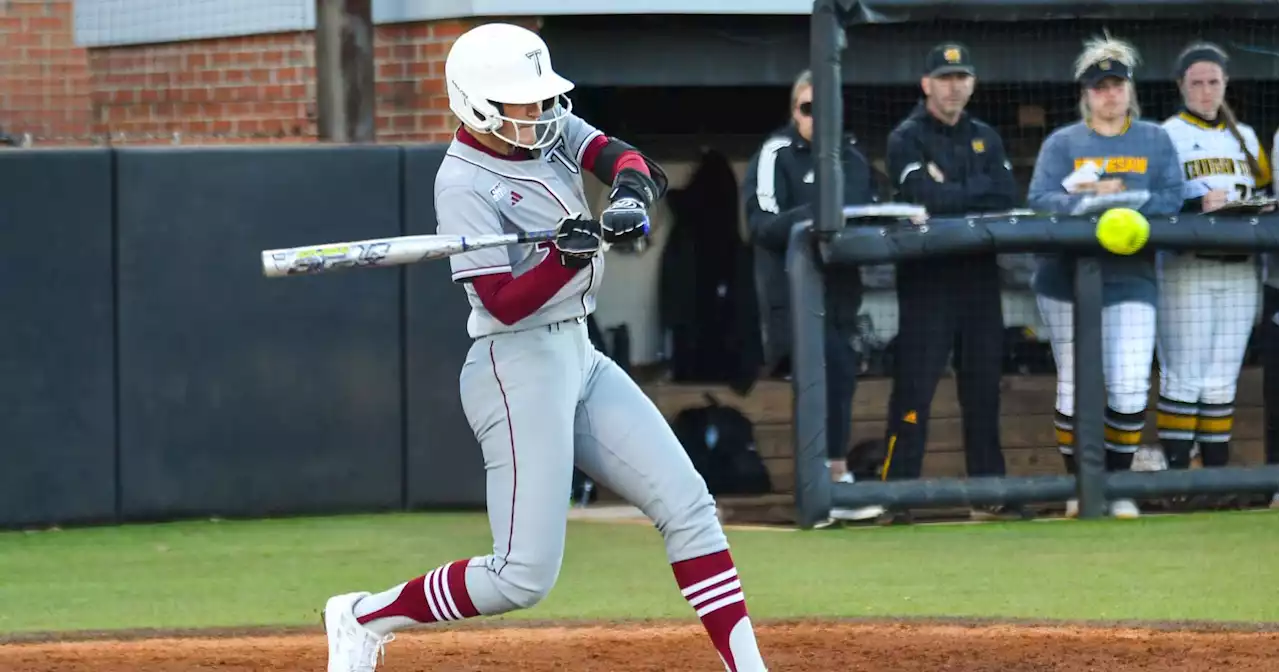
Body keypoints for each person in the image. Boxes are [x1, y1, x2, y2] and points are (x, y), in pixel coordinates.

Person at [320, 23, 769, 672]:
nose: (537, 111)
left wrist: (628, 201)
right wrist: (564, 255)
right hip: (515, 364)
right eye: (520, 103)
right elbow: (502, 299)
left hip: (578, 353)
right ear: (477, 105)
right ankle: (363, 616)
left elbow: (626, 161)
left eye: (538, 99)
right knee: (521, 577)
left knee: (689, 505)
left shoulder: (549, 125)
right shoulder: (462, 182)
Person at [1026, 33, 1185, 519]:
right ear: (1085, 94)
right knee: (1074, 382)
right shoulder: (1062, 143)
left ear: (1130, 90)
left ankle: (1115, 484)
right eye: (1099, 87)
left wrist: (1127, 202)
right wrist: (1088, 197)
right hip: (1064, 281)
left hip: (1132, 277)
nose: (1109, 94)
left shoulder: (1155, 139)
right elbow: (1040, 201)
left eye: (1117, 85)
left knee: (1130, 382)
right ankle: (1081, 486)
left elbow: (1173, 198)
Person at [878, 43, 1022, 523]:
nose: (954, 86)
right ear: (926, 84)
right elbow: (923, 196)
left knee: (983, 390)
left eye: (962, 77)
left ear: (973, 83)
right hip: (927, 283)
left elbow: (1005, 194)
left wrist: (952, 194)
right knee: (914, 394)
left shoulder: (986, 135)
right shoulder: (906, 137)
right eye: (944, 77)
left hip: (980, 279)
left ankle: (990, 494)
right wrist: (966, 196)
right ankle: (897, 496)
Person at [741, 68, 884, 523]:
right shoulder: (775, 153)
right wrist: (818, 214)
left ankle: (832, 482)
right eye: (808, 108)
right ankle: (823, 485)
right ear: (794, 112)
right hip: (793, 304)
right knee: (825, 373)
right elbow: (761, 225)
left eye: (827, 109)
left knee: (840, 376)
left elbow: (870, 218)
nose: (818, 118)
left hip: (842, 300)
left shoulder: (855, 159)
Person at [1155, 42, 1272, 485]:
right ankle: (1179, 480)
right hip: (1189, 266)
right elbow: (1157, 199)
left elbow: (1264, 189)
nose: (1206, 91)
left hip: (1241, 267)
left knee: (1223, 378)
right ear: (1181, 86)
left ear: (1226, 85)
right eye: (1197, 83)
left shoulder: (1245, 137)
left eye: (1214, 82)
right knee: (1184, 376)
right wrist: (1194, 202)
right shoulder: (1166, 133)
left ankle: (1217, 482)